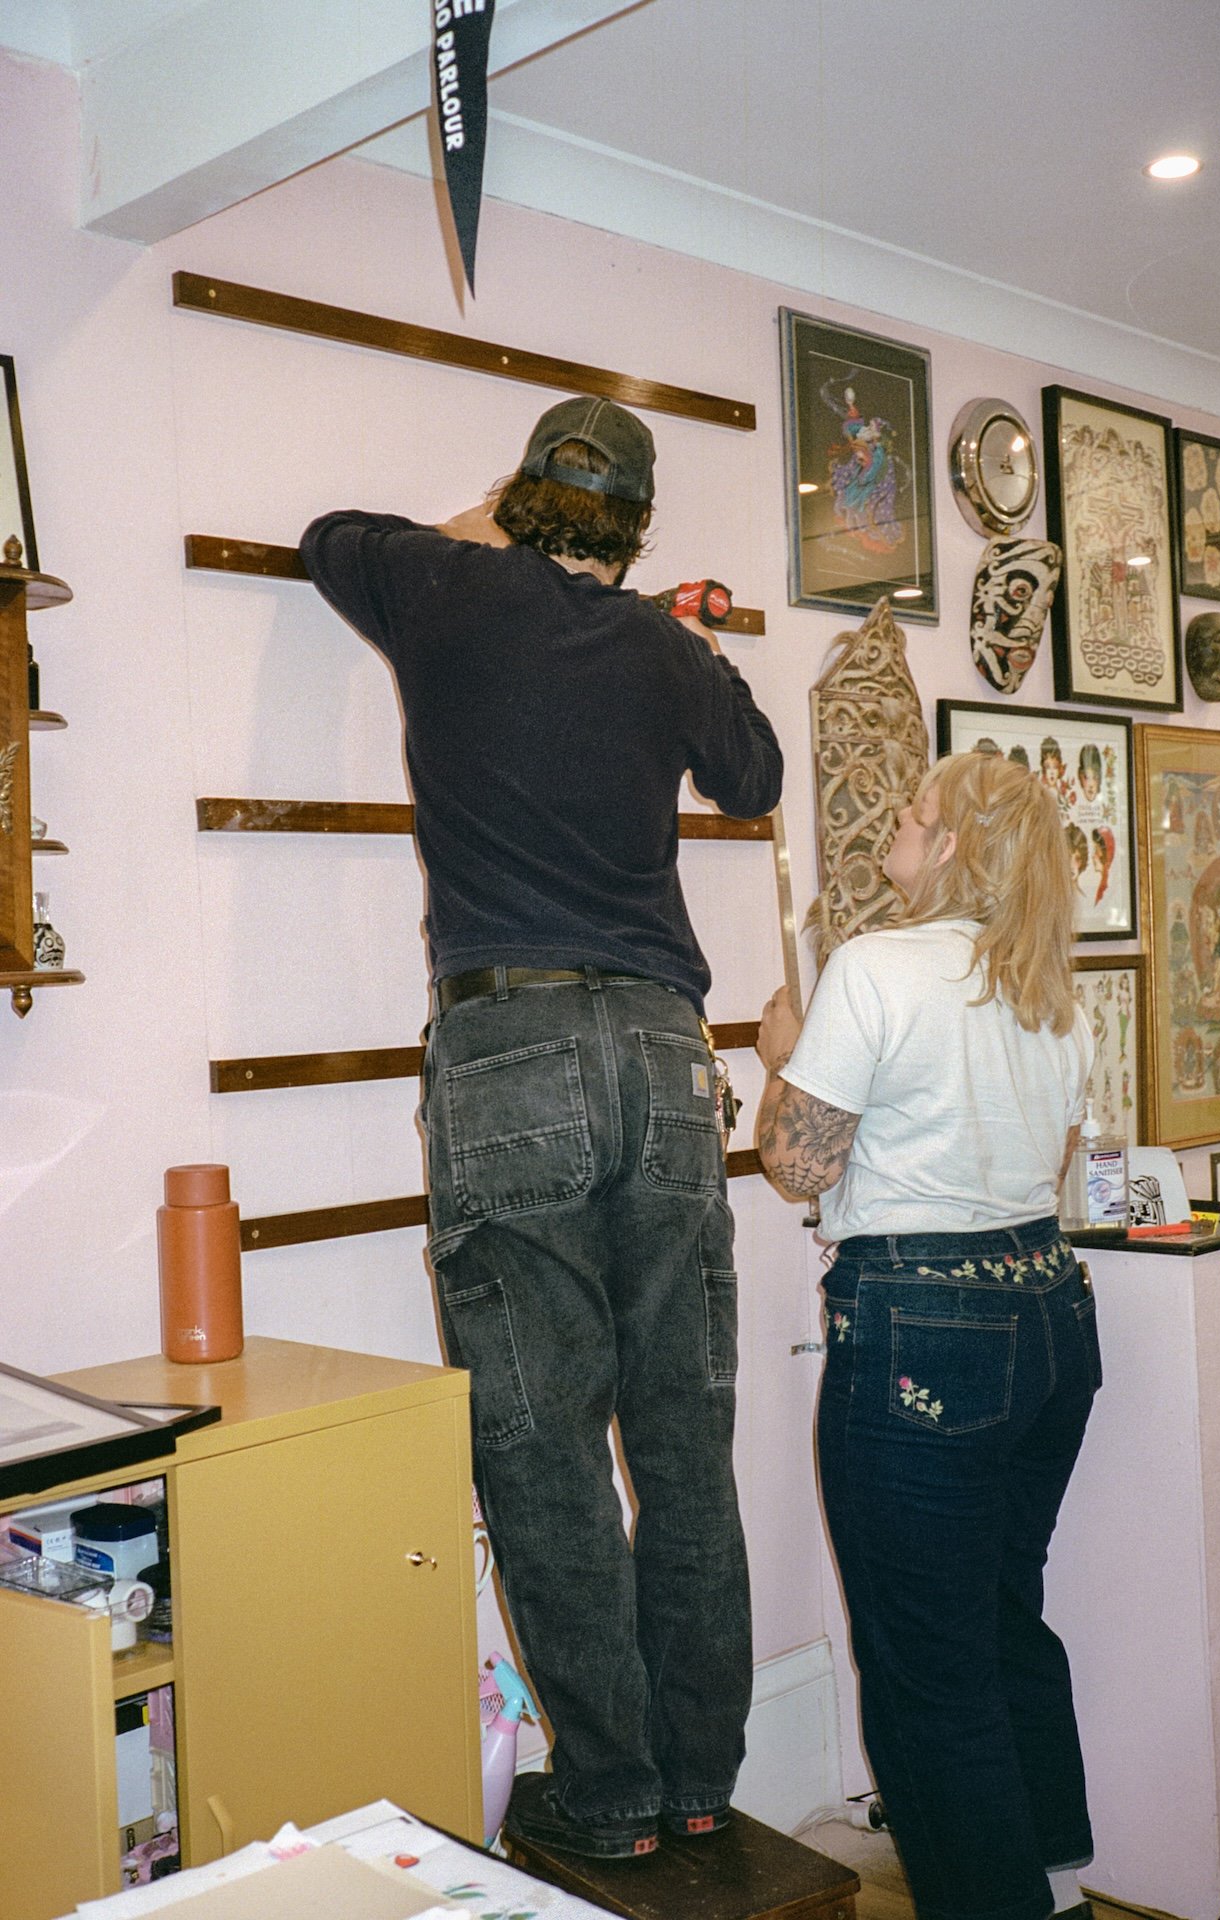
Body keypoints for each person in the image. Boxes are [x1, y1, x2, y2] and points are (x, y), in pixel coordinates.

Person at [300, 395, 782, 1861]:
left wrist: (483, 529)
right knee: (684, 1443)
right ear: (636, 528)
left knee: (543, 1447)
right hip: (665, 1046)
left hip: (508, 1042)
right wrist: (677, 635)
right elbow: (756, 777)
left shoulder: (444, 588)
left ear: (522, 499)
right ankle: (700, 1780)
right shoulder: (662, 648)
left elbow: (329, 539)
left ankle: (615, 1795)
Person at [755, 751, 1098, 1920]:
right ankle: (1051, 1885)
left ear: (951, 846)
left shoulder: (875, 968)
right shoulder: (1049, 989)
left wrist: (783, 1056)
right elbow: (1051, 1162)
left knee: (923, 1668)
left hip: (925, 1330)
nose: (891, 832)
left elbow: (797, 1165)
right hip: (1048, 1311)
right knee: (999, 1616)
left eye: (912, 817)